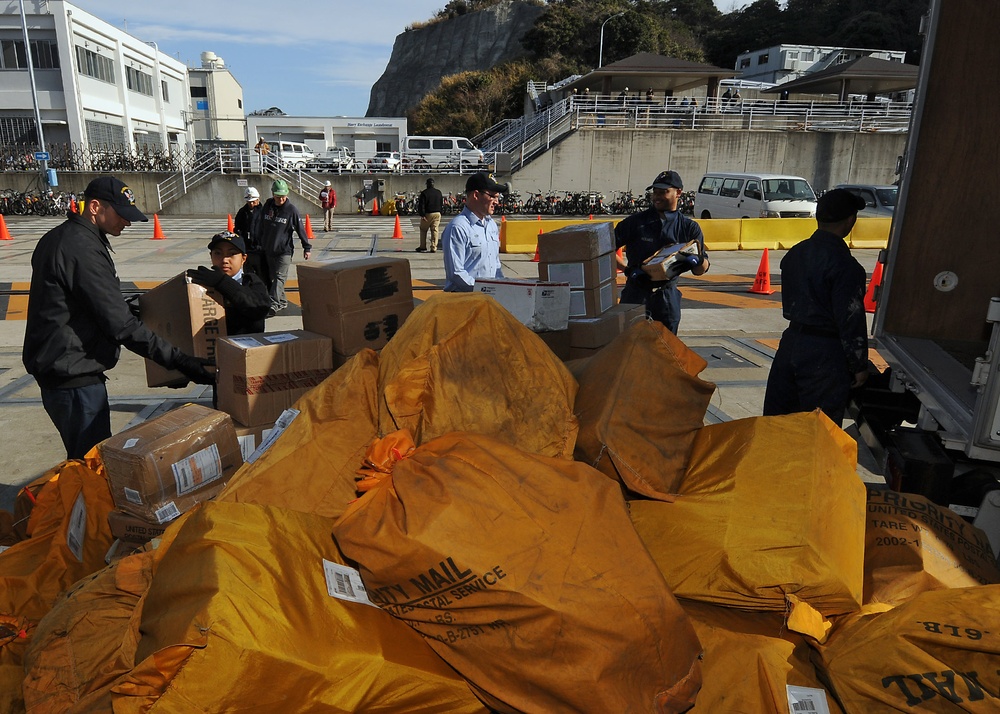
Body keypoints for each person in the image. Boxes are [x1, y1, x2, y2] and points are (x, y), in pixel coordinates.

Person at [22, 176, 213, 459]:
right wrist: (180, 362)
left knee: (87, 462)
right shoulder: (81, 248)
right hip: (73, 376)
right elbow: (120, 326)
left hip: (65, 367)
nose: (127, 222)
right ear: (96, 207)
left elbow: (78, 301)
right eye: (122, 215)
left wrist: (121, 306)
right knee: (92, 467)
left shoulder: (67, 237)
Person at [762, 189, 870, 426]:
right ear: (851, 220)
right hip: (825, 355)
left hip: (790, 344)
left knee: (778, 425)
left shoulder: (796, 253)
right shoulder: (847, 266)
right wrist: (859, 365)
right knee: (818, 431)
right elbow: (850, 319)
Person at [614, 170, 709, 334]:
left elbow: (700, 271)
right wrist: (628, 270)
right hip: (635, 294)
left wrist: (698, 260)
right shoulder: (635, 223)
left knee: (666, 352)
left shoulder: (688, 228)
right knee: (629, 351)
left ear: (678, 192)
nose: (657, 197)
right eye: (655, 192)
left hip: (666, 297)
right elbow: (603, 250)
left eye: (663, 192)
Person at [187, 232, 271, 336]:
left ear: (243, 258)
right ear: (211, 256)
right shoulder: (202, 283)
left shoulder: (252, 282)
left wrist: (222, 282)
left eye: (232, 254)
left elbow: (260, 308)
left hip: (244, 347)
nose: (224, 260)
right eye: (218, 253)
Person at [442, 173, 506, 292]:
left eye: (498, 197)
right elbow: (456, 273)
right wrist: (485, 289)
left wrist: (502, 287)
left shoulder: (491, 225)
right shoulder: (458, 227)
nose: (496, 202)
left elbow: (496, 264)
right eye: (492, 196)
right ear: (476, 195)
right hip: (464, 300)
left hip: (488, 299)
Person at [259, 179, 311, 316]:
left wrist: (307, 247)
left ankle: (273, 304)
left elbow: (301, 229)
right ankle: (282, 301)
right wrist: (259, 242)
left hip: (284, 251)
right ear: (272, 194)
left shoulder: (291, 210)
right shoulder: (268, 206)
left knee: (279, 278)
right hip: (269, 249)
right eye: (278, 196)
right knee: (272, 277)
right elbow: (261, 225)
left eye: (283, 196)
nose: (281, 199)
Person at [234, 186, 267, 284]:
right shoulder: (242, 212)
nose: (251, 204)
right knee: (248, 274)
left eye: (253, 201)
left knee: (262, 275)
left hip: (260, 250)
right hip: (247, 249)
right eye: (249, 202)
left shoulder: (264, 211)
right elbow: (237, 229)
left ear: (258, 199)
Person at [416, 178, 443, 253]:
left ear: (427, 184)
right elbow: (441, 203)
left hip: (428, 214)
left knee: (423, 229)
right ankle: (433, 247)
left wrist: (422, 214)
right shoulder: (438, 192)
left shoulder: (424, 193)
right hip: (437, 213)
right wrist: (441, 212)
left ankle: (423, 246)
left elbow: (422, 205)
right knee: (434, 230)